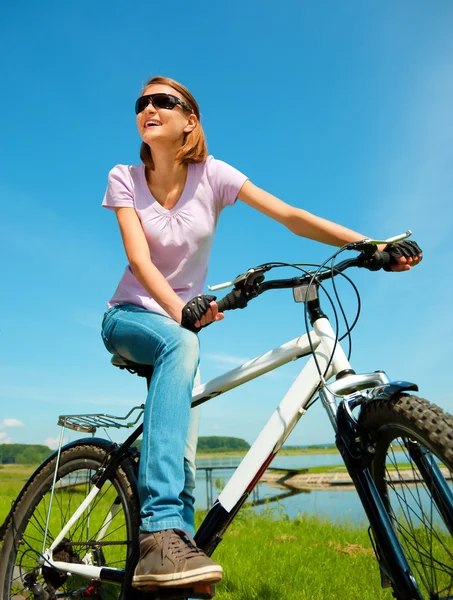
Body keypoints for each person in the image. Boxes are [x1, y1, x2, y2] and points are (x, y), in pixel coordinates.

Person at [100, 75, 422, 590]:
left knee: (182, 461)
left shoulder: (215, 175)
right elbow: (138, 261)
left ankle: (177, 564)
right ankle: (159, 535)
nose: (149, 108)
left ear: (190, 120)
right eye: (142, 102)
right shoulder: (124, 177)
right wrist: (181, 310)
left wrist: (370, 246)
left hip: (181, 330)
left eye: (164, 101)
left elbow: (290, 216)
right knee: (181, 345)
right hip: (132, 318)